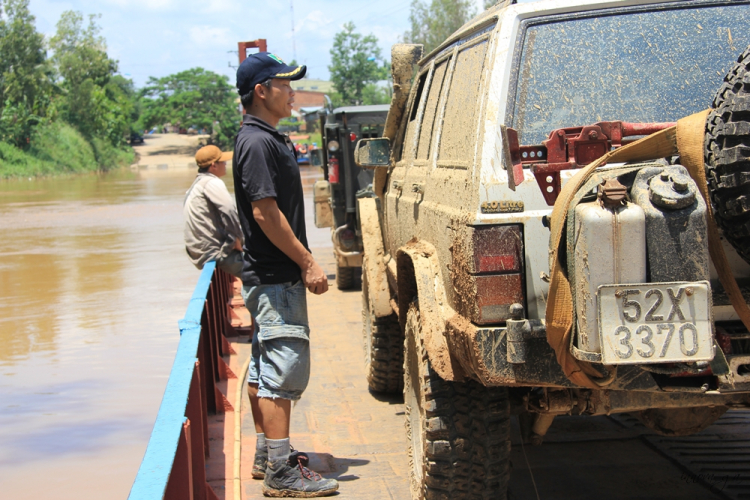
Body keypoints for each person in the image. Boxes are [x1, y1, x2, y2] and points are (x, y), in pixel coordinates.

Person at [233, 52, 337, 497]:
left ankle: (267, 455)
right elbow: (265, 213)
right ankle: (281, 473)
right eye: (284, 84)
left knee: (264, 367)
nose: (292, 91)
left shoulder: (265, 138)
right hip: (276, 278)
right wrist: (308, 261)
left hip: (271, 275)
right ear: (261, 91)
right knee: (284, 369)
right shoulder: (256, 142)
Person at [183, 145, 244, 278]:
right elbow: (228, 210)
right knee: (266, 272)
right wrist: (236, 240)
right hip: (216, 253)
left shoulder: (195, 186)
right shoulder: (211, 182)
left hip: (201, 255)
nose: (226, 164)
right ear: (213, 166)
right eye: (222, 161)